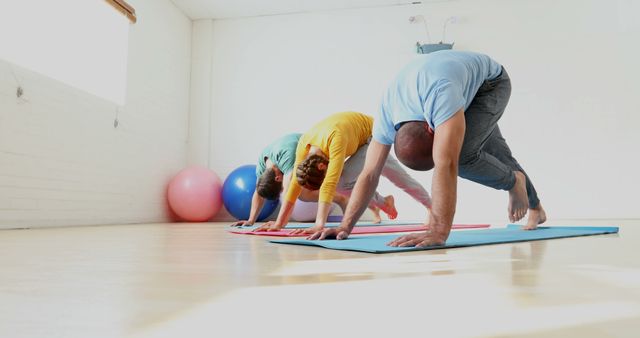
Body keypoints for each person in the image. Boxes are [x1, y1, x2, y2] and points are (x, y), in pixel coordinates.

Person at [309, 50, 546, 247]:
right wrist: (344, 226)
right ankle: (535, 207)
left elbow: (447, 163)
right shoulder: (386, 117)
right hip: (455, 80)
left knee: (463, 157)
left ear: (434, 130)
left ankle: (514, 181)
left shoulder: (441, 99)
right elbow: (369, 173)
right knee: (498, 154)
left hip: (490, 84)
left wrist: (438, 232)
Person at [255, 111, 432, 234]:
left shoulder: (335, 143)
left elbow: (328, 186)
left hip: (372, 136)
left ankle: (432, 208)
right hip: (355, 139)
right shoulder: (304, 145)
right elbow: (293, 186)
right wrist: (279, 223)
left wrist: (319, 225)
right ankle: (384, 202)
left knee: (397, 178)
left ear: (322, 167)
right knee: (346, 182)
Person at [231, 133, 399, 228]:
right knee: (347, 184)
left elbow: (291, 191)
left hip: (320, 153)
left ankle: (361, 201)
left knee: (336, 186)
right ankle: (379, 203)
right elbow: (258, 192)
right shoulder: (264, 167)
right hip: (309, 155)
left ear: (278, 177)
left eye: (280, 188)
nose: (282, 191)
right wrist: (251, 220)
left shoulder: (287, 158)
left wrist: (279, 223)